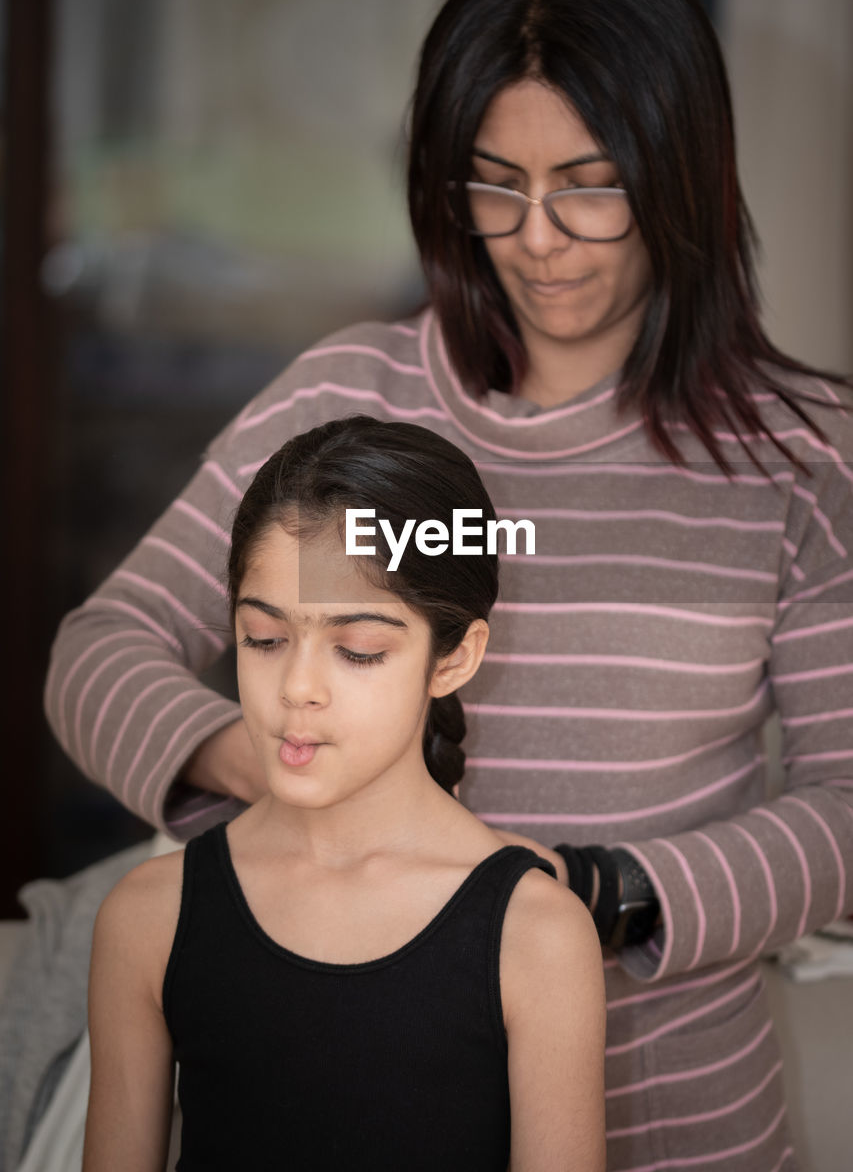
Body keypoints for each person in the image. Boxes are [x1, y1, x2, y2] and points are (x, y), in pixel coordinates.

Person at [48, 0, 853, 1171]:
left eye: (590, 184)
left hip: (682, 1118)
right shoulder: (348, 400)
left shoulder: (800, 457)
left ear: (681, 174)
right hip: (364, 1096)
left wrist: (604, 890)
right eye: (493, 186)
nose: (537, 239)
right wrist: (279, 758)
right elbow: (99, 651)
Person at [80, 416, 606, 1172]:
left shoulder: (535, 936)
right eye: (263, 638)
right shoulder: (147, 917)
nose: (296, 688)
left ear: (454, 658)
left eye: (357, 651)